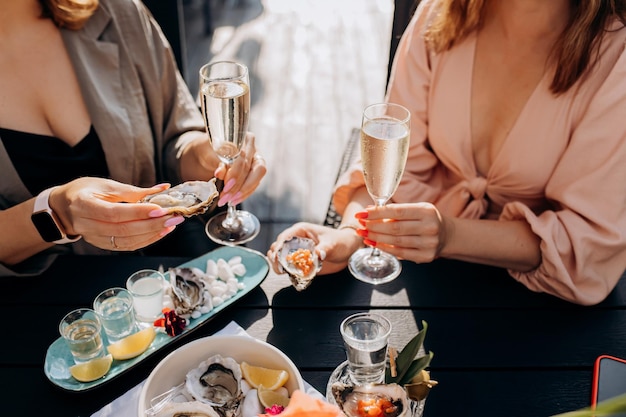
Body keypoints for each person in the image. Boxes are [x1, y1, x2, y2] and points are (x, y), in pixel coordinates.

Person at [268, 0, 626, 306]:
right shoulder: (441, 12)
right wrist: (346, 237)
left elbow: (586, 240)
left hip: (544, 305)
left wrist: (451, 235)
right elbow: (393, 166)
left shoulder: (617, 57)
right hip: (421, 279)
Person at [0, 0, 266, 276]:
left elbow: (175, 134)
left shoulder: (115, 12)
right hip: (47, 305)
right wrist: (57, 215)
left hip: (174, 274)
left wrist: (205, 156)